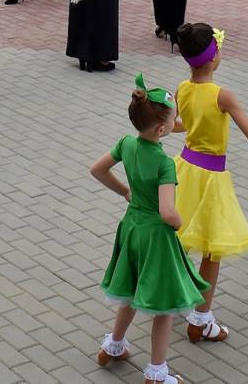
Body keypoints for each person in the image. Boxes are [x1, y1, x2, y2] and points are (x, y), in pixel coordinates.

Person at [90, 75, 208, 384]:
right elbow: (168, 211)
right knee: (164, 307)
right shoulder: (164, 163)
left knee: (129, 290)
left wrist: (124, 192)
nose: (176, 122)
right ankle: (157, 372)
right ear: (161, 129)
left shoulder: (126, 144)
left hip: (131, 227)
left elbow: (97, 169)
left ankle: (114, 345)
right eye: (174, 119)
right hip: (156, 237)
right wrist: (179, 223)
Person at [171, 23, 248, 344]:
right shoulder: (222, 95)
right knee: (212, 249)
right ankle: (201, 318)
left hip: (185, 169)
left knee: (179, 236)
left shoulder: (183, 88)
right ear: (214, 58)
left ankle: (173, 293)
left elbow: (182, 123)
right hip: (211, 179)